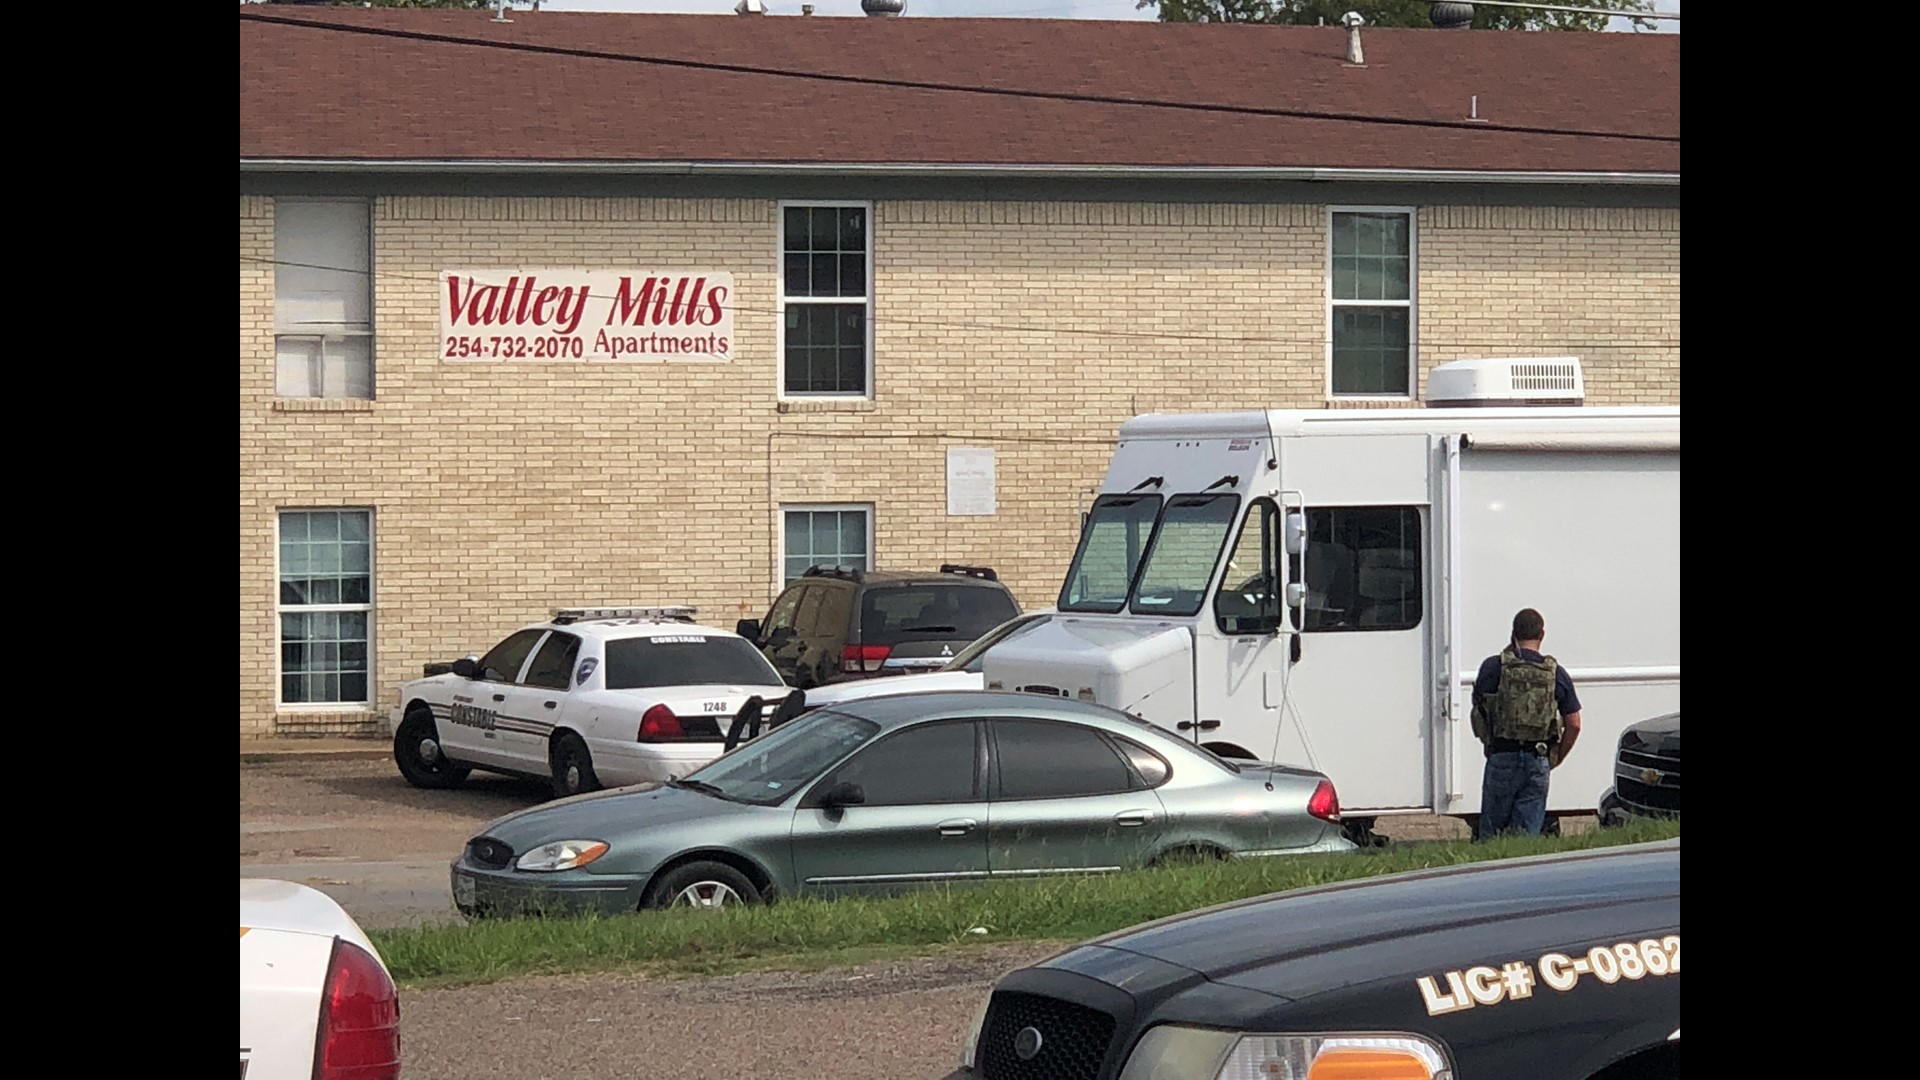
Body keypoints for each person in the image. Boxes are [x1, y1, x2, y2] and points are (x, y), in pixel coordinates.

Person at [1470, 608, 1582, 840]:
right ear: (1542, 635)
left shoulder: (1493, 667)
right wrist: (1557, 756)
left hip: (1501, 755)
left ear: (1513, 634)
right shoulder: (1555, 673)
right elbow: (1574, 724)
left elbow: (1479, 708)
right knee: (1526, 838)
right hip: (1537, 758)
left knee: (1491, 834)